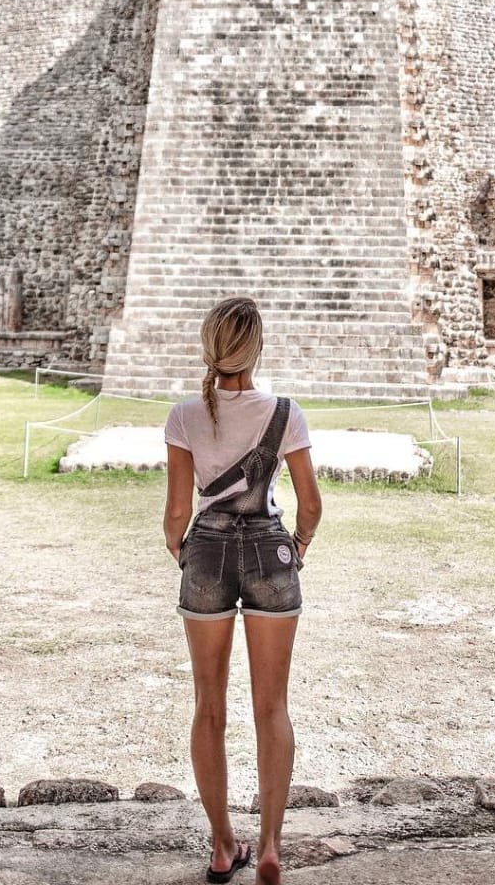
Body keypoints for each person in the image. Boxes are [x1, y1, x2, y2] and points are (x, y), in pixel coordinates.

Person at [163, 296, 323, 885]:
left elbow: (178, 510)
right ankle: (272, 844)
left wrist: (183, 551)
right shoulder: (285, 412)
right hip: (270, 554)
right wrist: (298, 547)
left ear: (209, 349)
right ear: (256, 351)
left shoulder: (184, 414)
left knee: (209, 707)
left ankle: (222, 844)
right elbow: (310, 505)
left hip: (205, 552)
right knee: (272, 706)